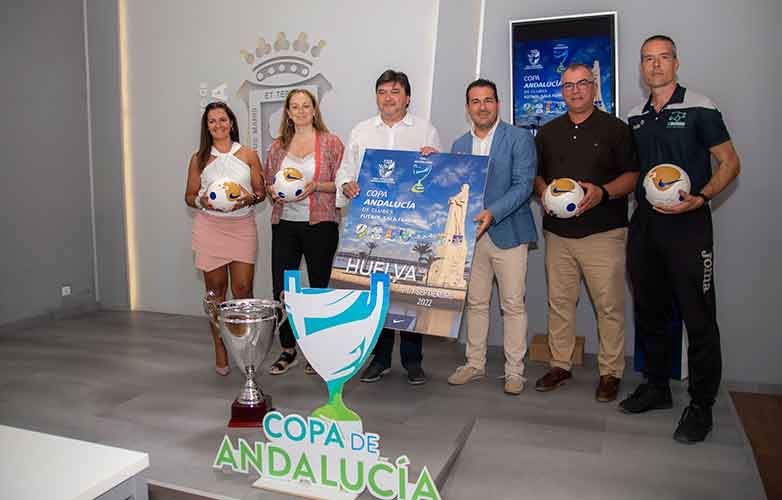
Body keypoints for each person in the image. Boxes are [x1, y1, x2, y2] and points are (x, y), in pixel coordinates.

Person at [622, 35, 741, 443]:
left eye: (663, 58)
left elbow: (729, 162)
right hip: (646, 226)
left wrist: (702, 198)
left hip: (688, 226)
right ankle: (657, 387)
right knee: (650, 309)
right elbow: (634, 173)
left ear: (676, 63)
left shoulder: (701, 107)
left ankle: (701, 405)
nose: (655, 65)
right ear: (641, 67)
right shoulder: (635, 116)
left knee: (699, 315)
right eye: (647, 59)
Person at [532, 63, 639, 402]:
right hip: (558, 235)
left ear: (594, 86)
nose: (575, 91)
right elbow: (538, 177)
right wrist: (544, 194)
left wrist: (603, 192)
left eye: (582, 84)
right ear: (560, 91)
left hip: (603, 233)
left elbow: (633, 176)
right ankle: (560, 364)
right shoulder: (547, 133)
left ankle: (610, 372)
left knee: (609, 306)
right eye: (568, 85)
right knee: (560, 303)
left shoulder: (616, 130)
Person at [336, 69, 441, 385]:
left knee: (409, 293)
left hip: (412, 228)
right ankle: (379, 359)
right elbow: (344, 171)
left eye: (395, 91)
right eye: (382, 91)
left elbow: (438, 178)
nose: (388, 97)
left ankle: (413, 362)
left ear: (407, 97)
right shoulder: (361, 131)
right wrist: (347, 185)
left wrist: (434, 160)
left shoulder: (425, 131)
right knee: (377, 295)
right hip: (373, 227)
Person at [446, 79, 537, 395]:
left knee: (513, 304)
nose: (482, 106)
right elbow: (452, 185)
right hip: (471, 237)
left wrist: (492, 213)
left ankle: (514, 371)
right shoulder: (458, 145)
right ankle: (474, 364)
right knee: (476, 303)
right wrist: (433, 162)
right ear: (468, 106)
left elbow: (523, 186)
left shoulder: (519, 138)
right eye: (475, 101)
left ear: (497, 104)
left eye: (488, 100)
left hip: (508, 232)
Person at [264, 89, 345, 375]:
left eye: (305, 106)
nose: (300, 111)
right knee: (282, 290)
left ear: (314, 110)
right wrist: (274, 192)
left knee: (318, 289)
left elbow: (343, 183)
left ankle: (317, 350)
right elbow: (268, 184)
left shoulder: (331, 143)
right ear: (287, 112)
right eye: (294, 107)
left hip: (320, 224)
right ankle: (288, 349)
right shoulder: (277, 147)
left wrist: (316, 186)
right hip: (285, 223)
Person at [184, 101, 265, 376]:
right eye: (211, 121)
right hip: (210, 228)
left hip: (242, 227)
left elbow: (261, 192)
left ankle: (244, 346)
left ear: (231, 122)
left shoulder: (249, 155)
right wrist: (202, 200)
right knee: (216, 293)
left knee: (242, 291)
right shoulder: (198, 158)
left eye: (222, 120)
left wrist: (249, 198)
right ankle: (220, 347)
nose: (218, 125)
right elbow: (189, 196)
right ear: (206, 127)